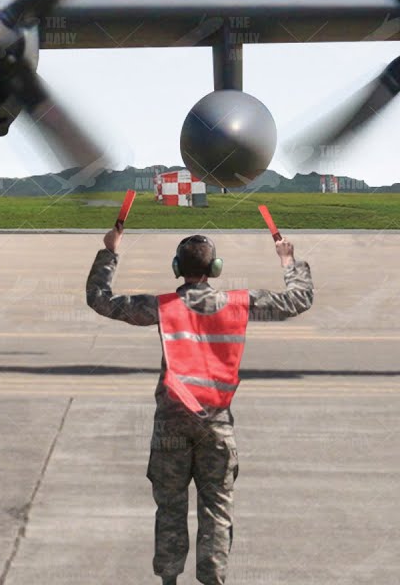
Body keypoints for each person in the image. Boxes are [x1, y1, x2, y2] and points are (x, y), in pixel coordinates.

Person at [86, 226, 313, 585]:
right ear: (216, 268)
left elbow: (100, 299)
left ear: (177, 267)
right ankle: (213, 579)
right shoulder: (240, 304)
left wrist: (109, 253)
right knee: (217, 511)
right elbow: (297, 300)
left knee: (170, 507)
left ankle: (169, 581)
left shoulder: (161, 307)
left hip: (172, 425)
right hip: (216, 425)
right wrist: (288, 261)